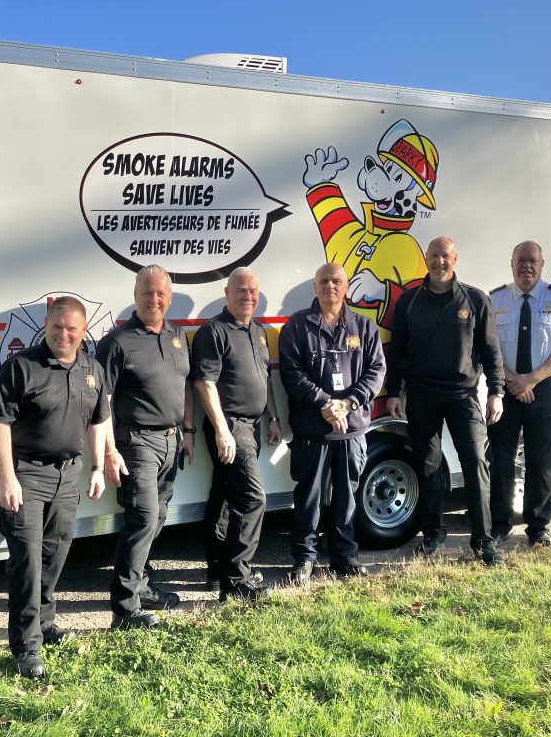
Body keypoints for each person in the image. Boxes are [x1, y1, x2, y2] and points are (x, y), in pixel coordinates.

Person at [0, 296, 109, 678]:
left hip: (68, 474)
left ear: (83, 330)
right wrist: (7, 477)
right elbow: (0, 424)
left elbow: (98, 421)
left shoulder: (92, 368)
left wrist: (98, 467)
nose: (64, 334)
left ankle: (45, 622)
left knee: (55, 554)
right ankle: (25, 645)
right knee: (27, 560)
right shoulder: (20, 367)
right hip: (27, 476)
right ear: (47, 325)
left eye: (72, 328)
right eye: (57, 327)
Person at [386, 236, 505, 565]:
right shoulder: (409, 302)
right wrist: (394, 391)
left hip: (463, 396)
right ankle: (433, 535)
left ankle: (484, 542)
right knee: (429, 467)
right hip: (421, 395)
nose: (440, 262)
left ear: (455, 259)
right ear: (426, 259)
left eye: (445, 256)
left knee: (476, 463)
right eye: (434, 256)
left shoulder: (476, 299)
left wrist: (496, 392)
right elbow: (397, 352)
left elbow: (492, 351)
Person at [95, 265, 196, 628]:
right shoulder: (118, 343)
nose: (154, 299)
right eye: (147, 293)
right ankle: (124, 610)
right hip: (135, 442)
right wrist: (108, 451)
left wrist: (188, 430)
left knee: (159, 518)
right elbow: (101, 400)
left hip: (171, 441)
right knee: (142, 518)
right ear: (135, 295)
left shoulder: (178, 336)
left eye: (161, 293)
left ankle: (141, 585)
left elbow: (185, 384)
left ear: (168, 297)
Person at [278, 262, 386, 586]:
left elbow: (376, 371)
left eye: (336, 281)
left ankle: (344, 556)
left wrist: (348, 403)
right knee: (308, 497)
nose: (330, 286)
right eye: (323, 281)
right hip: (313, 429)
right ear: (315, 287)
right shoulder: (297, 327)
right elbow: (291, 372)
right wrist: (324, 402)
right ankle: (305, 559)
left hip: (352, 429)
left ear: (346, 285)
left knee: (347, 496)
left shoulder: (364, 328)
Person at [191, 267, 282, 601]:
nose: (248, 296)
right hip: (230, 426)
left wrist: (273, 417)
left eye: (253, 291)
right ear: (227, 293)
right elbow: (204, 383)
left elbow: (265, 379)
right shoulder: (214, 332)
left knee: (226, 495)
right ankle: (238, 576)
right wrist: (221, 429)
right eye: (241, 290)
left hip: (253, 425)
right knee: (253, 498)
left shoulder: (258, 331)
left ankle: (218, 570)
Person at [488, 241, 551, 547]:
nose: (526, 266)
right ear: (511, 263)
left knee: (541, 460)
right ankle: (500, 524)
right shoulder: (496, 299)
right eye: (520, 260)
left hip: (543, 389)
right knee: (501, 459)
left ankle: (538, 526)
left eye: (532, 260)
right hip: (505, 388)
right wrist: (514, 380)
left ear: (542, 264)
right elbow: (488, 347)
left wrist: (531, 379)